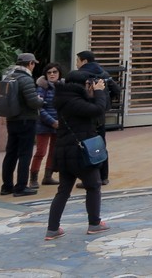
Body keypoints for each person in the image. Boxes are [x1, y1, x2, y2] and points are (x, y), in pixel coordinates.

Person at [45, 70, 111, 240]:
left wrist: (94, 93)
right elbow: (98, 110)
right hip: (79, 152)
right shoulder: (73, 101)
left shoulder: (65, 98)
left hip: (64, 151)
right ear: (83, 85)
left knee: (63, 190)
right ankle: (94, 224)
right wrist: (99, 92)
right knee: (94, 185)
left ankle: (53, 228)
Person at [1, 52, 44, 197]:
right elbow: (32, 101)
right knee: (25, 154)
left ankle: (6, 186)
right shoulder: (26, 79)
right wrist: (41, 100)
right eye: (33, 64)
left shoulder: (9, 76)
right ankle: (21, 187)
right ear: (30, 64)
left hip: (11, 119)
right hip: (26, 120)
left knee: (11, 153)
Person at [75, 50, 119, 185]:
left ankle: (91, 178)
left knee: (87, 146)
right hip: (100, 115)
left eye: (78, 60)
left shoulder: (80, 76)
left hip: (87, 115)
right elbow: (116, 90)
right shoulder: (103, 74)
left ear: (84, 61)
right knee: (101, 144)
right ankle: (103, 176)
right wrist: (105, 102)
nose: (76, 64)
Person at [30, 62, 63, 188]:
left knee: (53, 151)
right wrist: (52, 122)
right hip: (44, 124)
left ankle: (48, 176)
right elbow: (39, 108)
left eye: (55, 72)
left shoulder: (62, 86)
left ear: (59, 74)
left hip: (58, 124)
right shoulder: (41, 87)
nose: (52, 74)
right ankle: (33, 178)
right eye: (49, 72)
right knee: (40, 152)